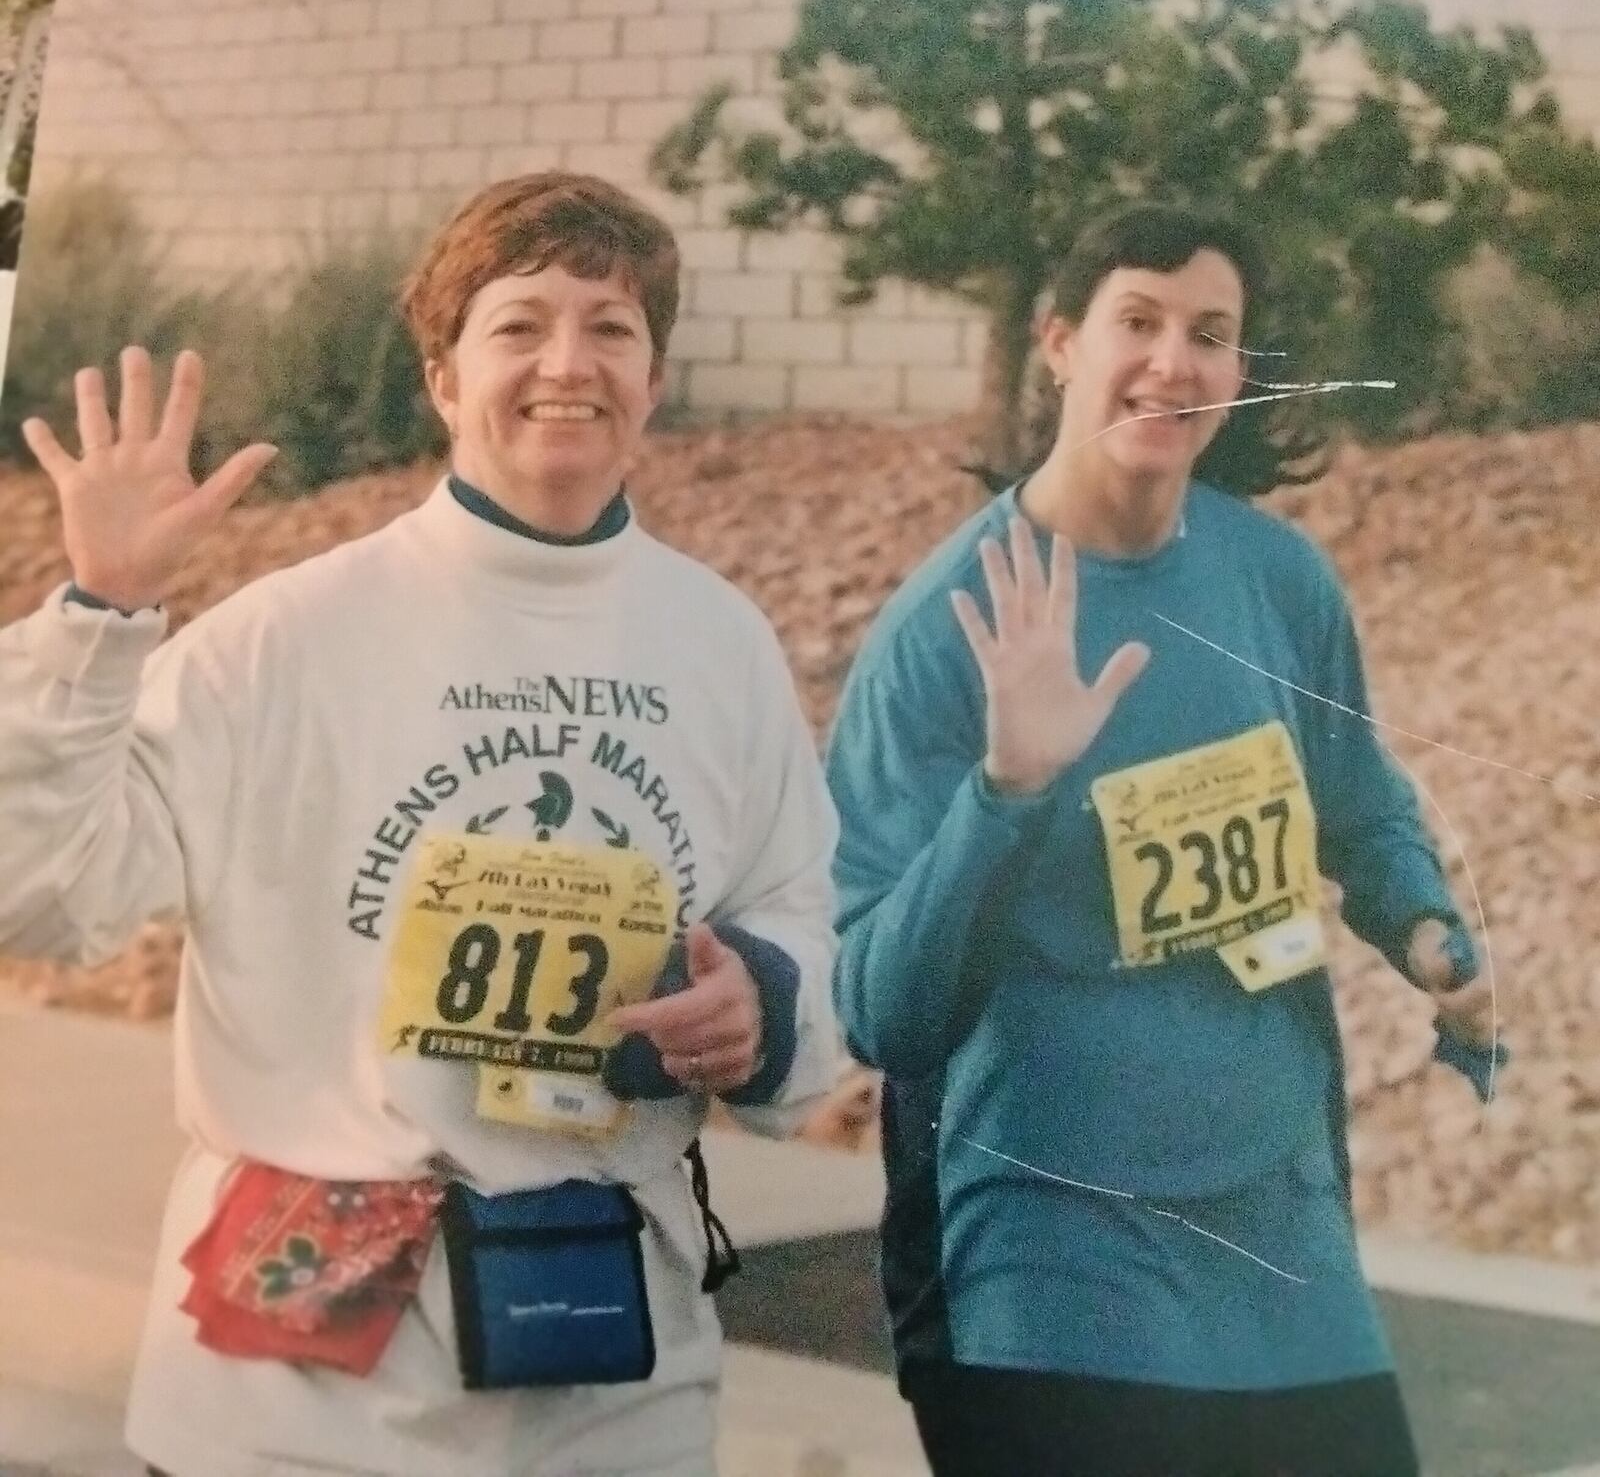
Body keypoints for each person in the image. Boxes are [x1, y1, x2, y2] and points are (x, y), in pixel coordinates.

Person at [0, 171, 842, 1477]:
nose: (569, 361)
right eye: (520, 325)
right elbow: (44, 895)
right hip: (294, 1407)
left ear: (655, 380)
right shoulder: (286, 638)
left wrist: (763, 1004)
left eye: (611, 327)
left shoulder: (717, 642)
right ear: (444, 378)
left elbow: (798, 903)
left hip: (610, 1388)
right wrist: (99, 616)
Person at [825, 202, 1502, 1477]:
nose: (1172, 363)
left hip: (1277, 1238)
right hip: (1048, 1263)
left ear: (1240, 371)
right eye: (1137, 321)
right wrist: (1008, 790)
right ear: (1059, 343)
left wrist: (1428, 935)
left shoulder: (1277, 580)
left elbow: (1361, 807)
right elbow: (877, 1008)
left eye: (1211, 333)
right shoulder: (944, 629)